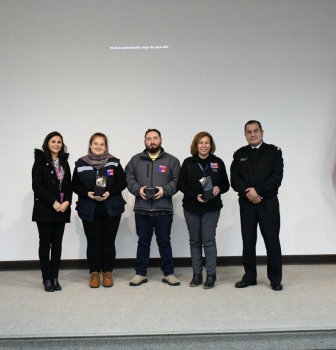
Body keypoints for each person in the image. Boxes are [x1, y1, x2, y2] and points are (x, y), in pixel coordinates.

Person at [230, 120, 284, 291]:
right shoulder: (239, 154)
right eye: (249, 132)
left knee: (272, 240)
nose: (252, 134)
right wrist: (249, 192)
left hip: (268, 203)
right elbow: (235, 179)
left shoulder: (273, 153)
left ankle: (275, 279)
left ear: (262, 132)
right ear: (245, 135)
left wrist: (258, 191)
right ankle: (249, 276)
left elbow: (276, 178)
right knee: (248, 241)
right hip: (247, 204)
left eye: (255, 131)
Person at [125, 129, 181, 286]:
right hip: (142, 209)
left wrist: (165, 191)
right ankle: (140, 274)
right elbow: (129, 178)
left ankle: (169, 274)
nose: (152, 141)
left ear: (161, 140)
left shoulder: (172, 161)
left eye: (155, 138)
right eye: (148, 139)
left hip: (164, 209)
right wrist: (138, 190)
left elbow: (178, 180)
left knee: (164, 242)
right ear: (144, 142)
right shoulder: (135, 160)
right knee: (143, 242)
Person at [72, 132, 126, 288]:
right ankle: (94, 274)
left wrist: (110, 192)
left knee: (108, 243)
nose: (98, 146)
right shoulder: (81, 164)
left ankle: (108, 273)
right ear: (90, 145)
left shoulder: (114, 162)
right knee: (94, 243)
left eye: (101, 144)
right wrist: (87, 193)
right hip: (89, 209)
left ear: (106, 147)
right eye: (95, 143)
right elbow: (75, 185)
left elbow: (122, 182)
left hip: (111, 209)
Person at [177, 132, 230, 289]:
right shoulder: (188, 163)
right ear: (196, 145)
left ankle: (211, 275)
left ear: (211, 145)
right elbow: (181, 184)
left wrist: (219, 188)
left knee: (208, 240)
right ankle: (197, 274)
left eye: (207, 142)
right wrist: (195, 196)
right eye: (201, 142)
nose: (204, 146)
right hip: (192, 207)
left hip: (211, 209)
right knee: (195, 241)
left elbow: (226, 184)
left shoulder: (218, 162)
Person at [32, 131, 72, 292]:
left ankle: (55, 277)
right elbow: (37, 187)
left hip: (62, 210)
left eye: (59, 142)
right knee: (45, 244)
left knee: (57, 245)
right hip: (45, 210)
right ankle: (46, 278)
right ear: (47, 143)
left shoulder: (64, 162)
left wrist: (67, 201)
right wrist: (53, 202)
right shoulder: (40, 161)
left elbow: (69, 185)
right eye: (53, 141)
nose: (56, 144)